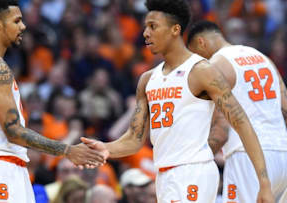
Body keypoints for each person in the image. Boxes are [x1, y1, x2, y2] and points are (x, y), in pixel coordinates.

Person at [81, 0, 274, 202]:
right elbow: (133, 139)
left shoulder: (201, 70)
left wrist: (264, 182)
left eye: (153, 26)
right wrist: (106, 148)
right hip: (163, 175)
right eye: (145, 26)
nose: (146, 33)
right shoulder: (147, 79)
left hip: (193, 172)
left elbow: (241, 123)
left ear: (175, 29)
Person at [0, 1, 106, 202]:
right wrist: (67, 150)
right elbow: (13, 131)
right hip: (0, 167)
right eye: (17, 21)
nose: (23, 26)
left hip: (1, 165)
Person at [187, 20, 287, 203]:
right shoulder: (264, 58)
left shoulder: (216, 65)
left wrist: (192, 165)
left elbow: (221, 131)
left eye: (196, 55)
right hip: (282, 154)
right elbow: (285, 108)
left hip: (248, 158)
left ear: (202, 42)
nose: (198, 62)